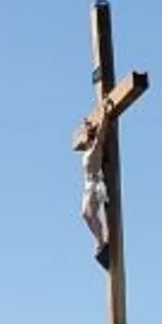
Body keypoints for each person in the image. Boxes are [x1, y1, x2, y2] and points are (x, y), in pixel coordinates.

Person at [73, 115, 112, 269]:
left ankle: (102, 243)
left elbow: (101, 135)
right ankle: (100, 241)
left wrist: (104, 116)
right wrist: (87, 125)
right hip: (88, 185)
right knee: (85, 214)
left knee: (90, 213)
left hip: (95, 184)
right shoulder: (87, 151)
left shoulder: (96, 148)